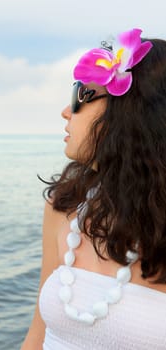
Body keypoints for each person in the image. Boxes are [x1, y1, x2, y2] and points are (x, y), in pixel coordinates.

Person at [21, 28, 166, 349]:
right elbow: (36, 337)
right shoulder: (65, 205)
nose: (65, 110)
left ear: (131, 111)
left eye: (80, 94)